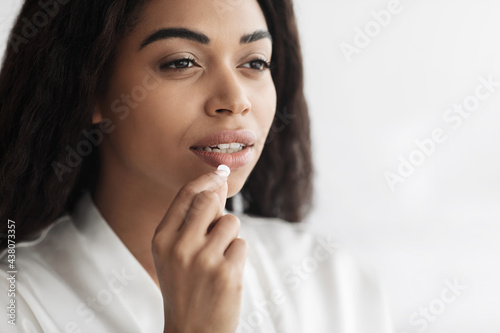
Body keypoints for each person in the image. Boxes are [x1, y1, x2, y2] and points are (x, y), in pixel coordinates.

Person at [0, 0, 392, 332]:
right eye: (182, 62)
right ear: (90, 89)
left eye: (255, 63)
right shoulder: (15, 304)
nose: (235, 99)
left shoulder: (330, 279)